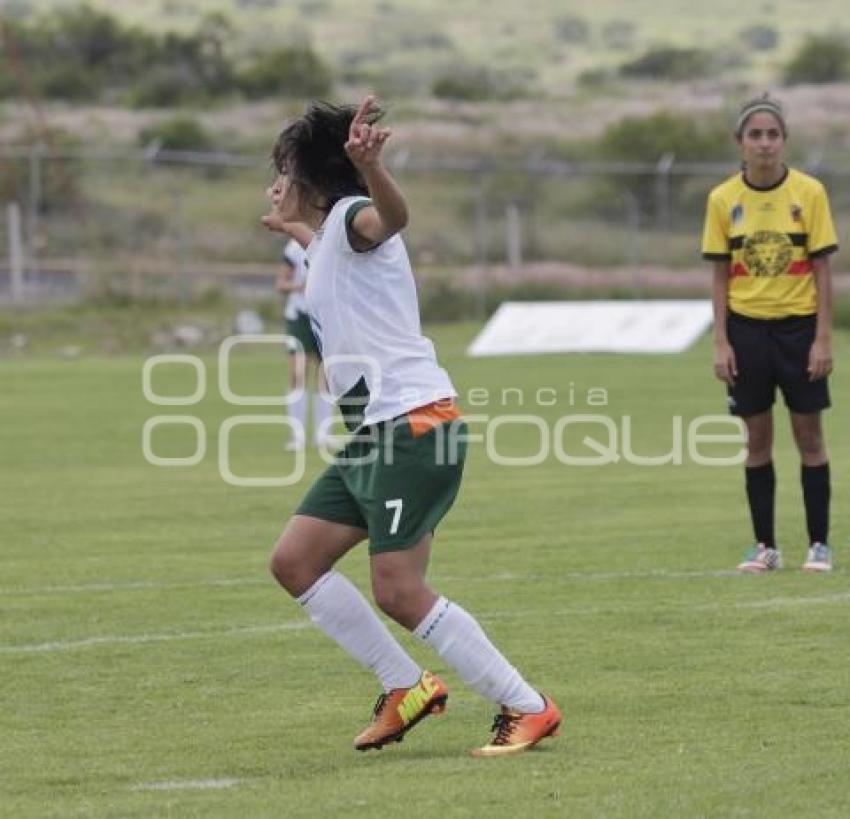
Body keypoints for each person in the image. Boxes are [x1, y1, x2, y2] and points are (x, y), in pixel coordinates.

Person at [260, 96, 561, 756]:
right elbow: (329, 259)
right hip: (376, 436)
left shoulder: (350, 216)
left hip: (413, 426)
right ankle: (406, 684)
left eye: (282, 169)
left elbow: (388, 219)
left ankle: (526, 704)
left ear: (309, 177)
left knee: (398, 589)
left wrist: (372, 170)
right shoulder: (324, 241)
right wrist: (291, 230)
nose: (274, 182)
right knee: (295, 560)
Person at [702, 93, 838, 573]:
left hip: (799, 331)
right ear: (740, 143)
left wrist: (823, 337)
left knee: (809, 436)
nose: (764, 144)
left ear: (784, 140)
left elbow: (823, 270)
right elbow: (719, 275)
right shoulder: (723, 200)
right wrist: (721, 341)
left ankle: (818, 545)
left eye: (772, 134)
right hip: (746, 332)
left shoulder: (809, 194)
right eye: (755, 135)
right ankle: (765, 546)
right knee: (756, 439)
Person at [274, 228, 333, 450]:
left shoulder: (330, 244)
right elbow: (281, 283)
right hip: (299, 316)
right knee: (298, 374)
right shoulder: (293, 248)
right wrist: (301, 287)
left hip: (325, 317)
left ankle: (323, 435)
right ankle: (297, 436)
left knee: (326, 376)